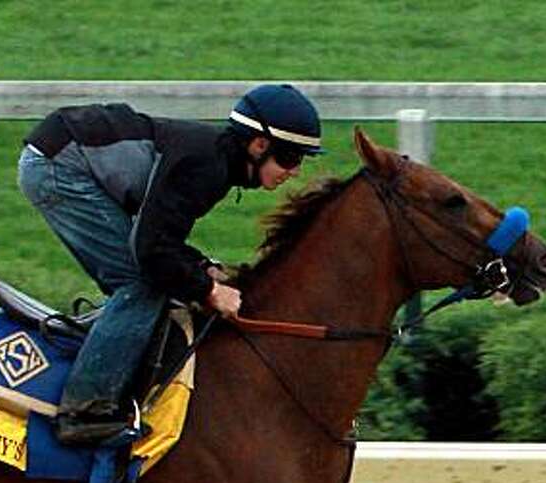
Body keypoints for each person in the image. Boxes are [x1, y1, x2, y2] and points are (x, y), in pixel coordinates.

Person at [17, 83, 324, 445]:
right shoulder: (207, 166)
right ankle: (84, 411)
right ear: (258, 145)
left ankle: (107, 363)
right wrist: (208, 290)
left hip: (60, 152)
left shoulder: (215, 162)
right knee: (142, 283)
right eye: (290, 158)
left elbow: (160, 237)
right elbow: (151, 253)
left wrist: (201, 267)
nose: (295, 171)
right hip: (58, 166)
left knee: (151, 279)